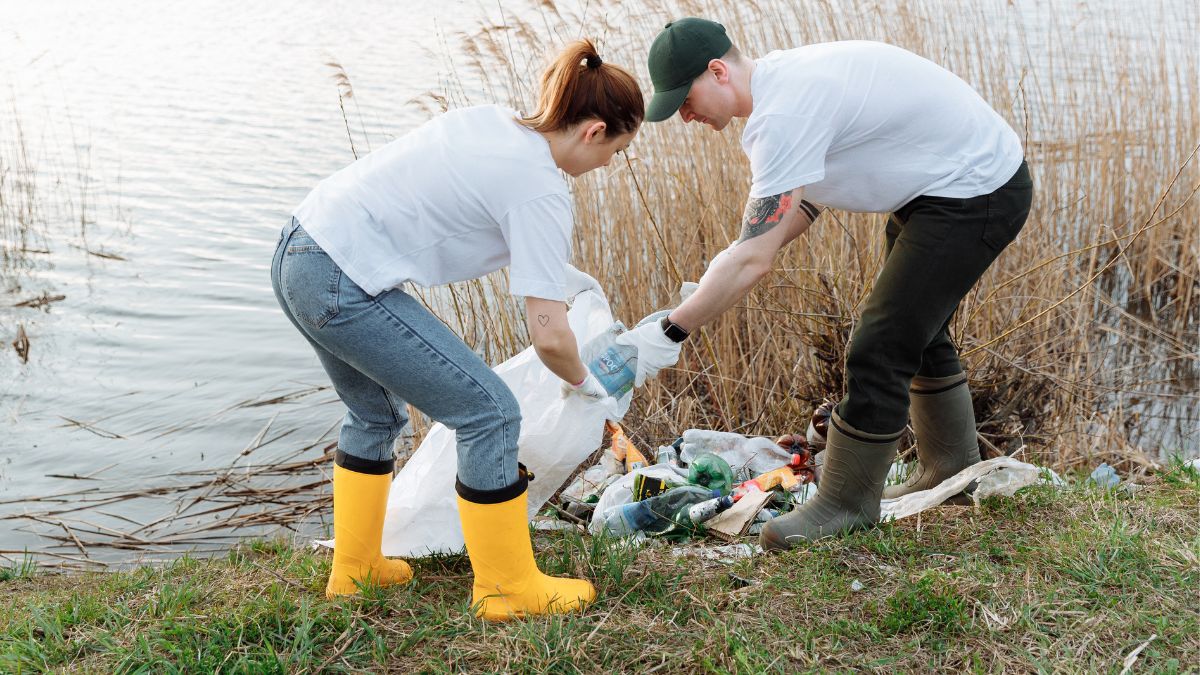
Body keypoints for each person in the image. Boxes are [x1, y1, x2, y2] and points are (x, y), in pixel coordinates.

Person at [617, 18, 1034, 551]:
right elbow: (791, 213)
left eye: (685, 99)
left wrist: (672, 331)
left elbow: (755, 259)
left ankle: (846, 503)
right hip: (939, 190)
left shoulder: (782, 113)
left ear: (717, 71)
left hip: (975, 190)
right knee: (915, 329)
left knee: (881, 342)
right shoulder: (787, 86)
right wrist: (728, 263)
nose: (684, 115)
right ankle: (952, 468)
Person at [271, 40, 643, 619]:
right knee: (490, 413)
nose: (609, 164)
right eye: (616, 150)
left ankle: (355, 568)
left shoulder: (493, 124)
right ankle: (507, 588)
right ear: (594, 132)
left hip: (300, 252)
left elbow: (481, 221)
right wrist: (588, 385)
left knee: (375, 415)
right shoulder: (542, 188)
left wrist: (568, 278)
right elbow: (548, 334)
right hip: (343, 279)